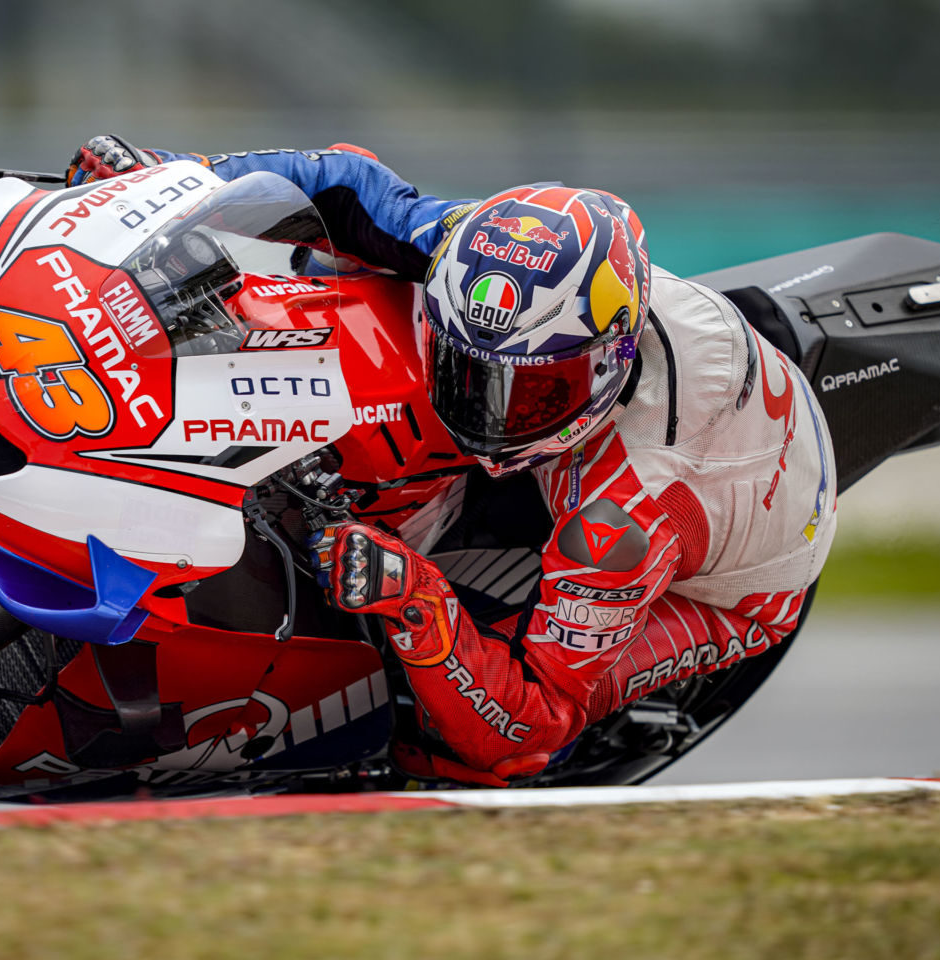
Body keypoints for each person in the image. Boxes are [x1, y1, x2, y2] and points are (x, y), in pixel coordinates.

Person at [66, 135, 838, 785]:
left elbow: (528, 725)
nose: (488, 414)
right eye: (471, 373)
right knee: (347, 284)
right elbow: (349, 185)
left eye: (532, 392)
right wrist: (171, 185)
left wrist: (417, 601)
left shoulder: (621, 517)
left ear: (607, 366)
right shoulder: (491, 260)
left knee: (456, 745)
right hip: (645, 425)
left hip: (730, 579)